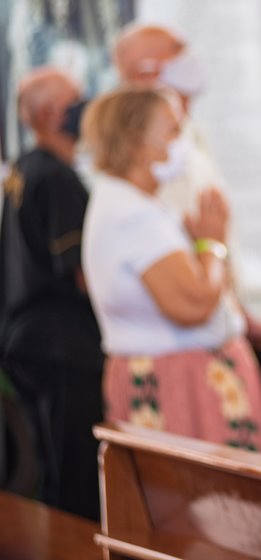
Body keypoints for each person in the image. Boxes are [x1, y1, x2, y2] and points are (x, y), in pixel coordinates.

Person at [80, 88, 261, 454]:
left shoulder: (137, 203)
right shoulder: (132, 214)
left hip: (182, 375)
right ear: (138, 142)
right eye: (172, 131)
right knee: (206, 506)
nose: (183, 141)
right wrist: (212, 243)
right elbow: (194, 305)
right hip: (181, 385)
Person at [112, 23, 261, 347]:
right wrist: (210, 250)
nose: (190, 59)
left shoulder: (193, 134)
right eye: (177, 52)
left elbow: (216, 231)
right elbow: (186, 249)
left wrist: (238, 310)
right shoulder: (138, 157)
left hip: (221, 321)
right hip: (185, 335)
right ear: (143, 74)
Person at [0, 67, 103, 520]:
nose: (85, 106)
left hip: (25, 338)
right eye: (75, 99)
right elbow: (82, 270)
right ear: (47, 113)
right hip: (62, 345)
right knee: (74, 472)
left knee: (50, 465)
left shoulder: (23, 168)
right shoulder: (58, 178)